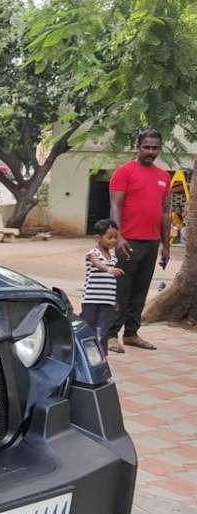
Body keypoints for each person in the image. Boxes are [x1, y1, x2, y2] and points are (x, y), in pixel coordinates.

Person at [106, 129, 171, 352]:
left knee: (140, 290)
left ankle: (132, 333)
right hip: (129, 241)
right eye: (147, 147)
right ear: (138, 147)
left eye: (155, 148)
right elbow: (115, 205)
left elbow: (164, 212)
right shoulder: (124, 172)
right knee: (121, 289)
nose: (150, 152)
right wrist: (118, 237)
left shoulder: (164, 176)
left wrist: (166, 245)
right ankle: (111, 334)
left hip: (152, 243)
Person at [81, 219, 124, 354]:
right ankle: (87, 355)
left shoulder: (113, 258)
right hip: (91, 300)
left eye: (115, 237)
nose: (113, 241)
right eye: (109, 237)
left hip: (107, 301)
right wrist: (110, 270)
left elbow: (111, 283)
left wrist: (114, 299)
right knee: (89, 328)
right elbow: (98, 264)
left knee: (103, 330)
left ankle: (101, 356)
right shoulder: (93, 254)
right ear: (98, 238)